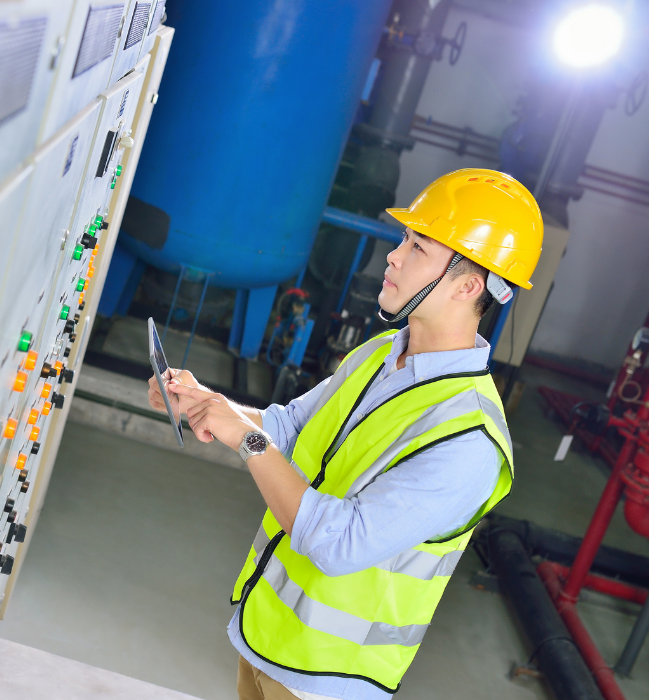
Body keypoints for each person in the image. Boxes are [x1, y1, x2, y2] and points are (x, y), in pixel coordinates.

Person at [147, 169, 542, 700]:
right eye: (404, 239)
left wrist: (244, 438)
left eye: (418, 246)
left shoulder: (468, 439)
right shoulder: (381, 354)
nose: (393, 256)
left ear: (469, 285)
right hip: (266, 638)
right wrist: (212, 406)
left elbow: (339, 544)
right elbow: (290, 429)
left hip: (329, 682)